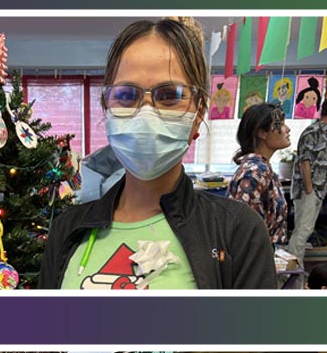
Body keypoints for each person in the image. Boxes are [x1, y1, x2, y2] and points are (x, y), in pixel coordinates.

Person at [40, 17, 276, 289]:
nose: (146, 114)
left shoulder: (237, 231)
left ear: (198, 112)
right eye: (127, 95)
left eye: (169, 95)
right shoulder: (67, 229)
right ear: (107, 108)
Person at [287, 95, 327, 265]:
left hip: (317, 191)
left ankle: (295, 270)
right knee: (301, 231)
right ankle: (291, 274)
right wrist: (309, 190)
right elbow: (304, 162)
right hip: (309, 191)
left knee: (305, 231)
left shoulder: (323, 133)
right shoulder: (312, 132)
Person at [227, 104, 291, 247]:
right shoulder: (255, 172)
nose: (287, 129)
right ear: (262, 133)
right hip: (253, 258)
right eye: (280, 125)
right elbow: (246, 232)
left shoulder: (262, 168)